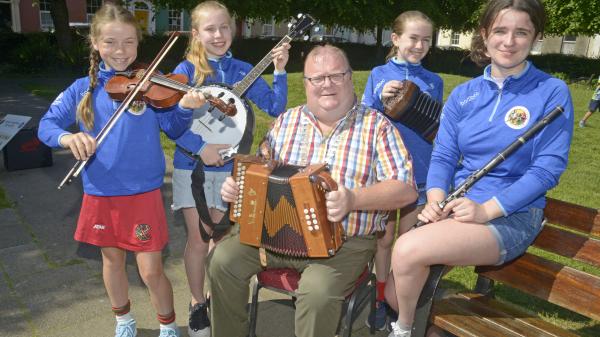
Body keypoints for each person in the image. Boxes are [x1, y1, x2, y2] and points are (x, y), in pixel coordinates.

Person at [384, 1, 574, 336]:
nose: (509, 41)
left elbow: (546, 171)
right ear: (485, 35)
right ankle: (426, 327)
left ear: (535, 38)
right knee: (394, 293)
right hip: (458, 207)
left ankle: (403, 331)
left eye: (521, 32)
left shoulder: (551, 91)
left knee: (407, 250)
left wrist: (485, 210)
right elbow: (443, 156)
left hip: (511, 216)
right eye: (500, 30)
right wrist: (436, 200)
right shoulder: (464, 94)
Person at [213, 44, 417, 337]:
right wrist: (239, 188)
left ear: (350, 77)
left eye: (336, 75)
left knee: (317, 292)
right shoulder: (287, 122)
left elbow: (406, 189)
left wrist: (354, 198)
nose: (327, 84)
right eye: (317, 78)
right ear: (305, 83)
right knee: (222, 261)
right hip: (273, 236)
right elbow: (259, 170)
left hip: (345, 242)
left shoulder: (377, 127)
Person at [38, 4, 206, 337]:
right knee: (112, 262)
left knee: (151, 271)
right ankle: (124, 320)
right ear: (95, 43)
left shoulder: (148, 84)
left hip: (142, 193)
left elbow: (172, 127)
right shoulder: (82, 88)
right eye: (111, 42)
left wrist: (184, 109)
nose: (120, 51)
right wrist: (67, 136)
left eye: (129, 42)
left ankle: (168, 325)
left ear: (138, 43)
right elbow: (47, 124)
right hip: (100, 192)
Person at [167, 2, 290, 336]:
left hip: (234, 170)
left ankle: (216, 298)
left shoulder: (243, 70)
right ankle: (196, 304)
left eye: (224, 27)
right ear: (196, 34)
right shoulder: (185, 73)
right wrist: (199, 147)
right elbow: (168, 122)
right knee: (197, 238)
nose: (219, 35)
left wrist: (279, 70)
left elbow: (276, 108)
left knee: (221, 242)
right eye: (210, 29)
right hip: (191, 167)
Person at [361, 10, 443, 330]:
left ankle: (399, 301)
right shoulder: (379, 73)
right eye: (413, 38)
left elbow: (438, 128)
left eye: (426, 40)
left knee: (407, 243)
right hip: (386, 174)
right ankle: (381, 296)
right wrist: (380, 100)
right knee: (384, 240)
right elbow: (364, 120)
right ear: (396, 39)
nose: (420, 45)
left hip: (421, 174)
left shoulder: (434, 81)